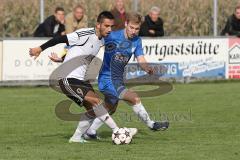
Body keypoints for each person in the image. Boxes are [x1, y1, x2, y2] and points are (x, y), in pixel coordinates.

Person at [29, 11, 136, 143]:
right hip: (67, 78)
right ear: (98, 25)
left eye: (111, 27)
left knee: (93, 110)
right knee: (96, 102)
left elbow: (78, 51)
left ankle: (76, 137)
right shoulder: (84, 34)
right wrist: (40, 48)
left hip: (81, 80)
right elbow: (59, 39)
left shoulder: (101, 40)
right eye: (106, 26)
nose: (109, 30)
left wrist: (62, 59)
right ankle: (117, 131)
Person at [85, 12, 169, 139]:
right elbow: (94, 42)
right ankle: (151, 124)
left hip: (118, 80)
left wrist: (147, 68)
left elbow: (141, 59)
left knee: (110, 108)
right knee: (134, 98)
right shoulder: (112, 36)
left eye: (137, 28)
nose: (134, 31)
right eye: (131, 27)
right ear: (126, 24)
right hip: (106, 79)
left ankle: (90, 132)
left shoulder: (137, 41)